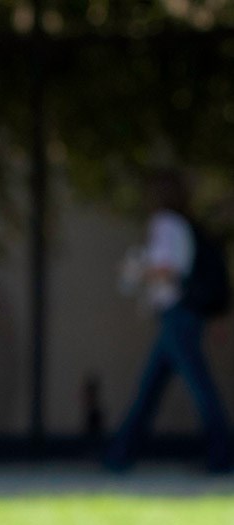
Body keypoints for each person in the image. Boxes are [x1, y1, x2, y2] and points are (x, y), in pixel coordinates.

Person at [105, 169, 232, 473]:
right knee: (150, 390)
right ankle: (120, 454)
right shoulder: (184, 225)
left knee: (198, 389)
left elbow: (167, 270)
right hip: (178, 317)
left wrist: (136, 270)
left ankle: (223, 454)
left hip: (178, 317)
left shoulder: (166, 224)